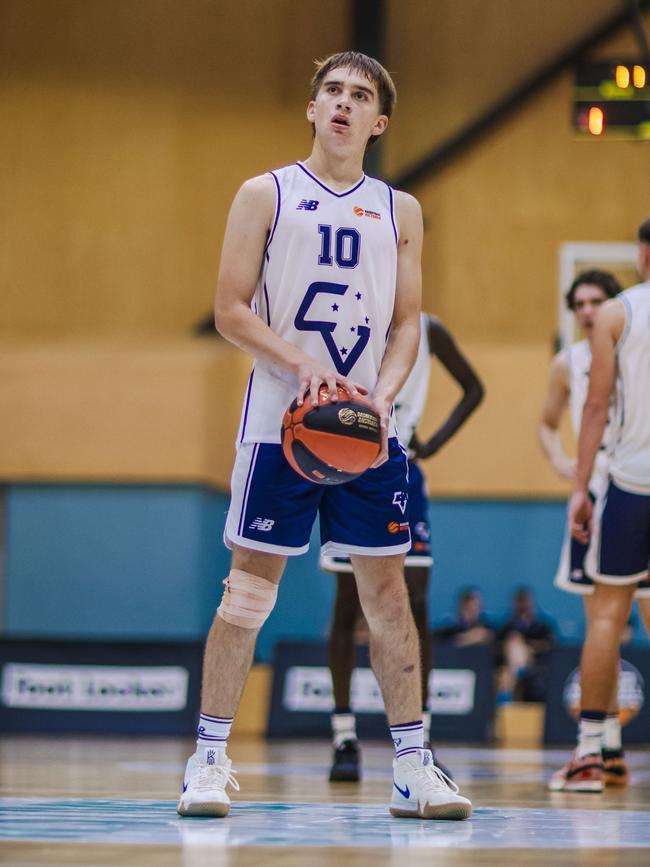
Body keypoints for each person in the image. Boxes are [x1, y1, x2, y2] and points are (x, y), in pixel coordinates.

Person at [177, 51, 472, 820]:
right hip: (281, 422)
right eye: (332, 91)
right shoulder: (263, 193)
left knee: (388, 596)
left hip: (369, 434)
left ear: (378, 123)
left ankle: (413, 763)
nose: (343, 103)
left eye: (360, 95)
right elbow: (231, 309)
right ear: (312, 109)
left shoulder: (398, 209)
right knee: (247, 594)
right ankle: (207, 760)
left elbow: (409, 322)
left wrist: (381, 394)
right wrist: (301, 364)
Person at [322, 314, 484, 781]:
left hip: (402, 469)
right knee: (347, 607)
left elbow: (474, 389)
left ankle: (420, 737)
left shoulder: (430, 328)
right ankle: (343, 736)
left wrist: (432, 443)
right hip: (348, 467)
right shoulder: (350, 313)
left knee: (414, 604)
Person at [550, 217, 650, 792]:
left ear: (641, 253)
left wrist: (580, 488)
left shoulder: (618, 314)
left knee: (608, 616)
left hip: (632, 485)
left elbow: (594, 411)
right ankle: (604, 752)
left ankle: (592, 753)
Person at [495, 587, 553, 704]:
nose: (522, 605)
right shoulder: (508, 625)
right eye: (519, 601)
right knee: (512, 648)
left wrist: (526, 644)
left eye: (525, 601)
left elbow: (550, 645)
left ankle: (518, 671)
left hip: (534, 662)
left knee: (517, 646)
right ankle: (518, 671)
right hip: (509, 664)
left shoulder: (541, 625)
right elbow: (497, 646)